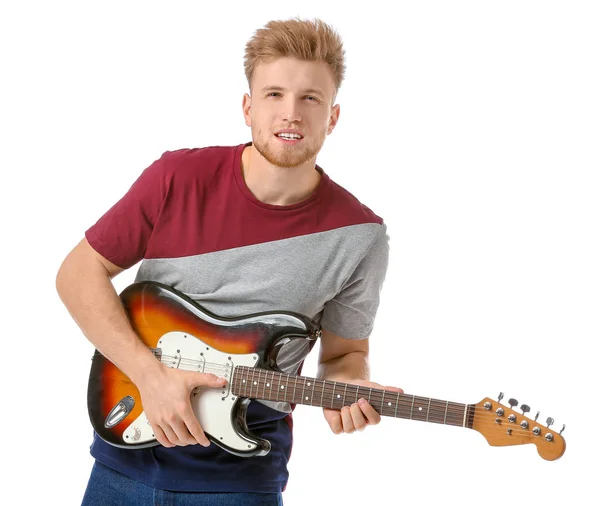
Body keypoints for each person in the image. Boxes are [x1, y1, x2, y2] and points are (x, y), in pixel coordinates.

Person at [56, 17, 402, 506]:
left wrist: (350, 387)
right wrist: (150, 378)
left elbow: (344, 355)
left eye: (310, 98)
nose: (292, 114)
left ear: (333, 116)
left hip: (239, 483)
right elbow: (77, 273)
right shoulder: (176, 177)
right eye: (274, 94)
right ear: (247, 107)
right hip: (122, 460)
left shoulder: (360, 236)